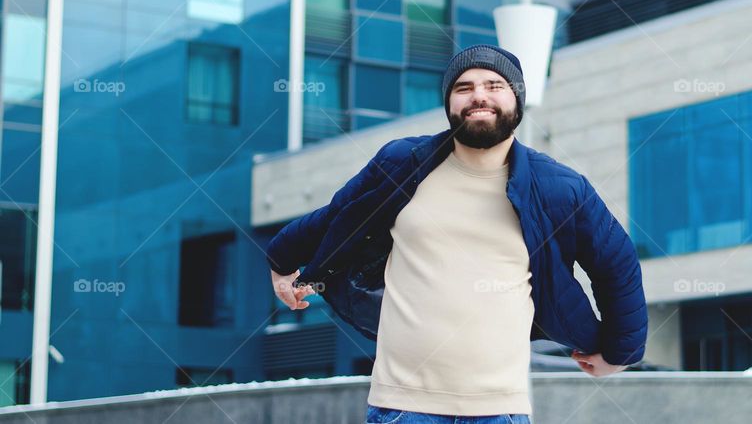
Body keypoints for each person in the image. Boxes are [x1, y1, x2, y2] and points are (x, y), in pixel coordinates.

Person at [267, 44, 648, 424]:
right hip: (402, 407)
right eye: (463, 87)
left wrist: (620, 351)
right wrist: (282, 257)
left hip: (501, 410)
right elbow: (340, 215)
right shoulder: (401, 163)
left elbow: (616, 262)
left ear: (516, 98)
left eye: (494, 85)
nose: (478, 94)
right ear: (449, 103)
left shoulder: (558, 188)